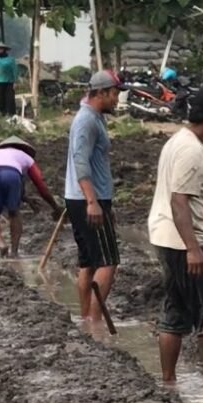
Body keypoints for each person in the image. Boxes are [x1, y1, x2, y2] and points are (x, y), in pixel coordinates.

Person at [148, 86, 203, 385]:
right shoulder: (192, 150)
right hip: (181, 242)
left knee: (176, 307)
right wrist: (194, 248)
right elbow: (179, 200)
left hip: (168, 238)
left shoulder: (179, 141)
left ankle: (169, 381)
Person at [65, 70, 126, 324]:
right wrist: (93, 202)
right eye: (114, 94)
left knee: (88, 262)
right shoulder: (86, 121)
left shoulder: (95, 117)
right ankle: (95, 323)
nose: (117, 100)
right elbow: (80, 161)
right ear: (100, 93)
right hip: (88, 199)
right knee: (108, 262)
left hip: (87, 198)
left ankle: (86, 318)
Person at [0, 135, 62, 258]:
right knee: (14, 213)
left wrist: (26, 199)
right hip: (12, 175)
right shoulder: (26, 157)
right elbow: (41, 186)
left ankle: (1, 243)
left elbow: (2, 174)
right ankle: (14, 252)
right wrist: (55, 207)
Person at [0, 42, 18, 117]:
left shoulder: (11, 60)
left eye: (1, 49)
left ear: (5, 50)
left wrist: (15, 81)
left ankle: (11, 114)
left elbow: (15, 70)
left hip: (9, 82)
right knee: (0, 99)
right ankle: (2, 113)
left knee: (10, 99)